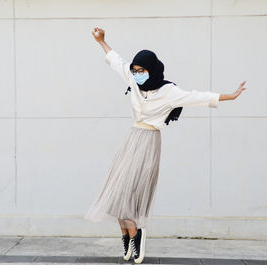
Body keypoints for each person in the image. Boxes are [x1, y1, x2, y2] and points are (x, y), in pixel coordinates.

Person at [84, 27, 247, 264]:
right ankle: (127, 236)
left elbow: (196, 97)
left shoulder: (168, 92)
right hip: (131, 138)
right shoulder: (133, 80)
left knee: (134, 190)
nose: (137, 74)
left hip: (149, 141)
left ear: (152, 70)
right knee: (118, 190)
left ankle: (137, 234)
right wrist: (102, 41)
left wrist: (230, 96)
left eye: (142, 70)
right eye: (135, 70)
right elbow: (116, 61)